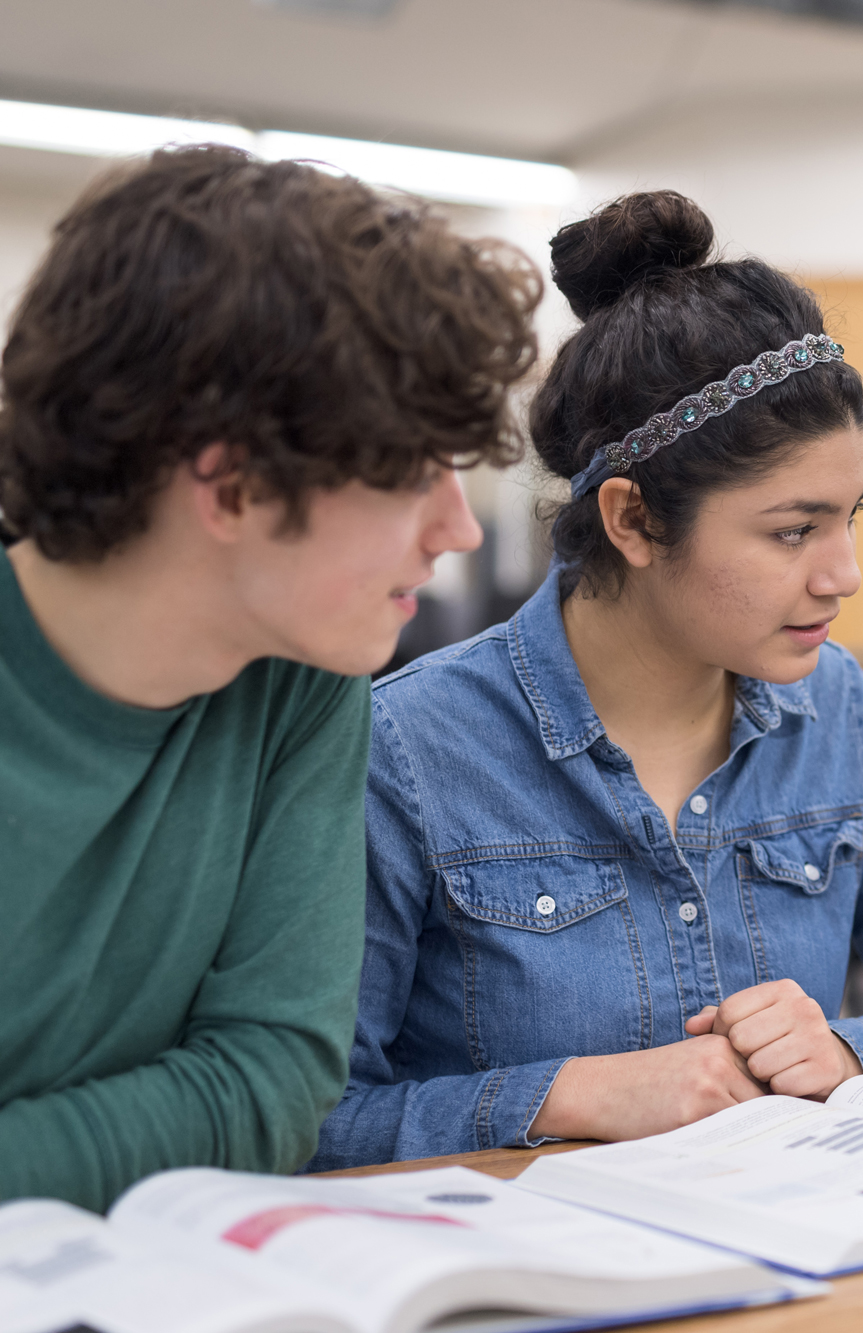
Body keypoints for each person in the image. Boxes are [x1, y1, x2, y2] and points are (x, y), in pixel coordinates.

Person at [308, 191, 863, 1168]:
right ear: (633, 520)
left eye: (848, 515)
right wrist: (569, 1093)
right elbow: (309, 1121)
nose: (843, 573)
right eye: (793, 530)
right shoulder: (406, 750)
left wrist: (849, 1050)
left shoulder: (844, 714)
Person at [0, 146, 540, 1209]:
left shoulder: (303, 674)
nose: (457, 528)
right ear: (234, 484)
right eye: (410, 473)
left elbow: (274, 1084)